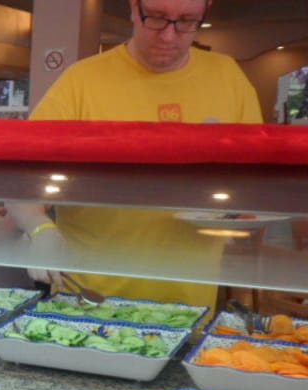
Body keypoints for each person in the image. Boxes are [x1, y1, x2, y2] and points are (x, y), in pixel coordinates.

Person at [15, 0, 262, 309]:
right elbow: (21, 176)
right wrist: (39, 229)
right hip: (88, 298)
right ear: (133, 7)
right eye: (156, 18)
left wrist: (237, 212)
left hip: (189, 302)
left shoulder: (229, 78)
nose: (169, 36)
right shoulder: (81, 81)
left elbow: (252, 180)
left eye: (187, 21)